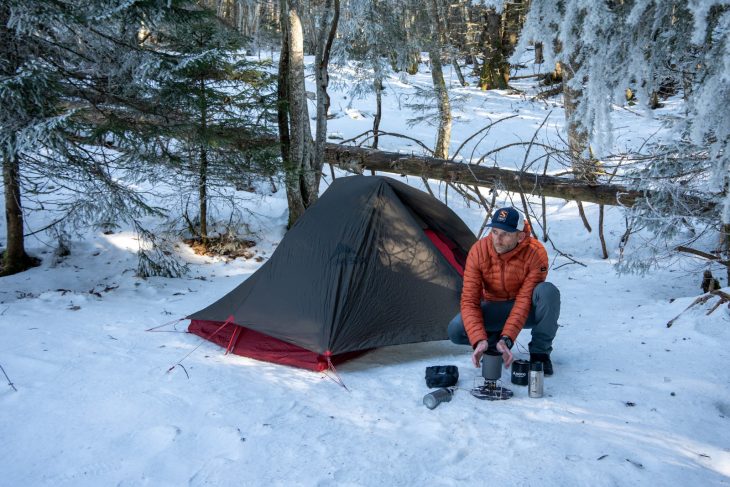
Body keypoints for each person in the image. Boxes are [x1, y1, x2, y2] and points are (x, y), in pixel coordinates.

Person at [448, 207, 560, 375]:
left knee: (548, 292)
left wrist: (507, 339)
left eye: (506, 234)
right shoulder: (478, 251)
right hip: (494, 307)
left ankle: (540, 353)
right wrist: (479, 339)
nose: (497, 240)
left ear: (520, 236)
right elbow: (470, 301)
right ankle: (491, 343)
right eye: (494, 232)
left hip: (526, 309)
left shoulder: (535, 253)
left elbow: (523, 300)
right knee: (456, 330)